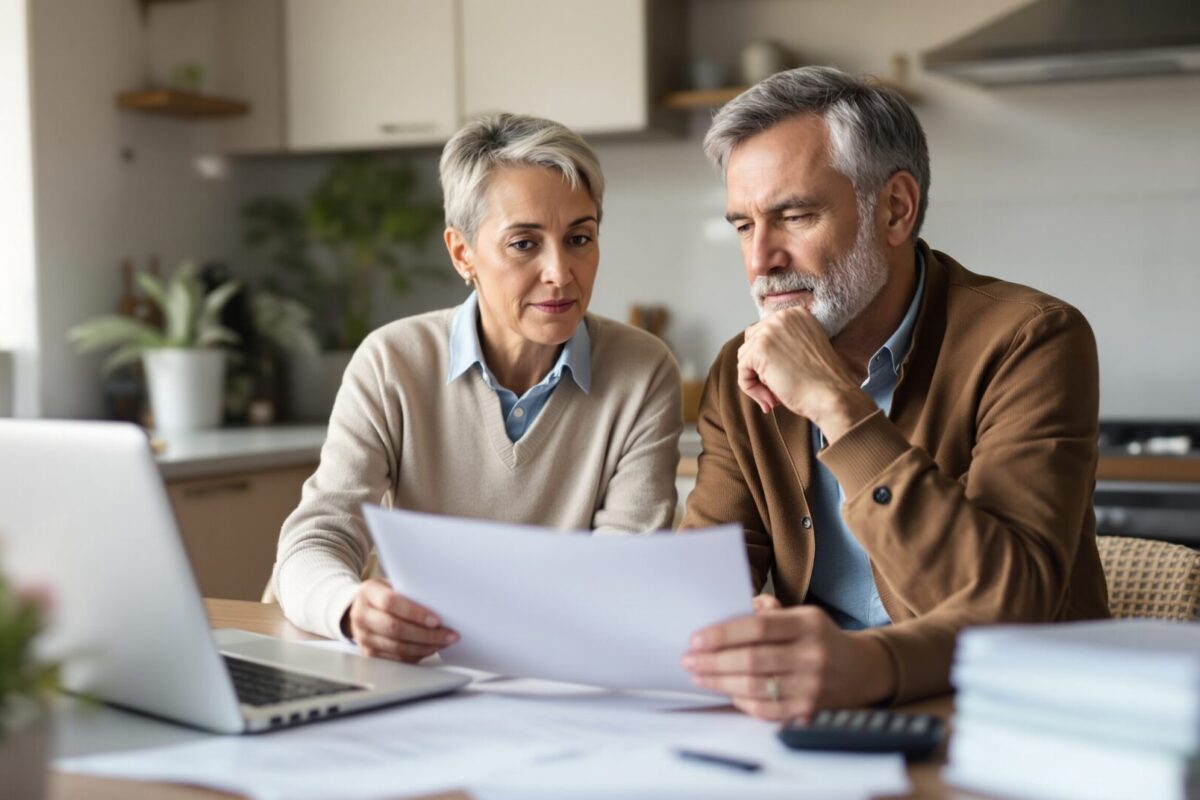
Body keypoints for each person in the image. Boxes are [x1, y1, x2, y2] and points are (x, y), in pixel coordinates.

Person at [679, 66, 1110, 718]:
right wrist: (731, 624)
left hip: (1017, 721)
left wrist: (837, 405)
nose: (761, 258)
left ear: (896, 208)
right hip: (815, 726)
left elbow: (1014, 605)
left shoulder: (1033, 340)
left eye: (793, 215)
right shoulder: (740, 371)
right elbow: (701, 583)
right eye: (743, 225)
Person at [274, 113, 682, 660]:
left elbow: (624, 569)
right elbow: (316, 538)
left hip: (566, 667)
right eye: (523, 244)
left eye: (579, 238)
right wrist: (348, 608)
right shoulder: (392, 362)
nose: (561, 272)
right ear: (462, 253)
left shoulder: (643, 369)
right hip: (420, 670)